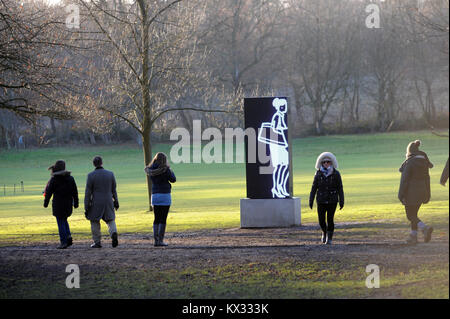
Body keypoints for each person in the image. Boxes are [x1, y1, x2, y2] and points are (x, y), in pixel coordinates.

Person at [398, 140, 434, 245]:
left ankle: (425, 228)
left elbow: (404, 180)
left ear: (409, 151)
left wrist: (401, 195)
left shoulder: (409, 162)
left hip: (410, 193)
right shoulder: (424, 162)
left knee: (410, 215)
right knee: (414, 214)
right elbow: (427, 178)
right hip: (422, 192)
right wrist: (428, 193)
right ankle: (413, 236)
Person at [309, 152, 344, 245]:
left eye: (328, 162)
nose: (326, 163)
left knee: (330, 219)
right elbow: (314, 187)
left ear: (331, 163)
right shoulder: (318, 174)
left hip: (332, 200)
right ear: (321, 163)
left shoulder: (336, 174)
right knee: (321, 220)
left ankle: (330, 238)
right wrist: (311, 200)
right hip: (321, 200)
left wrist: (341, 200)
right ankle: (324, 232)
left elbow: (340, 187)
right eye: (324, 162)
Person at [84, 156, 119, 248]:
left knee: (94, 221)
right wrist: (116, 201)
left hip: (96, 202)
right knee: (110, 220)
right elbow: (113, 190)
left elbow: (88, 193)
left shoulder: (90, 175)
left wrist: (86, 206)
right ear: (102, 163)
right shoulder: (110, 174)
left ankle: (97, 242)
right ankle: (113, 233)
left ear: (94, 164)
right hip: (108, 200)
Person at [43, 160, 78, 249]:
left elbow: (49, 192)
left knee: (60, 222)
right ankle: (68, 236)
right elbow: (75, 192)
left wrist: (46, 203)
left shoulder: (54, 179)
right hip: (68, 204)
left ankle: (63, 241)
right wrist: (76, 202)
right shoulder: (71, 178)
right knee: (64, 220)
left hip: (58, 204)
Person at [145, 152, 176, 247]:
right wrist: (170, 169)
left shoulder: (150, 170)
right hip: (165, 195)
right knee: (163, 218)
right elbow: (173, 179)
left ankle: (156, 240)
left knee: (156, 218)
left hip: (155, 195)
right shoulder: (166, 170)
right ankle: (161, 240)